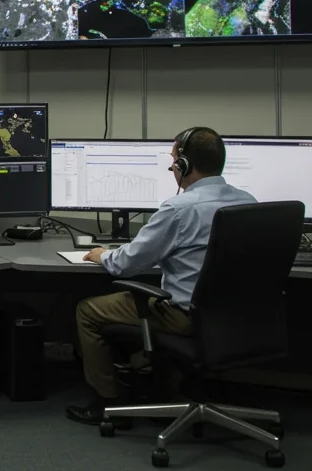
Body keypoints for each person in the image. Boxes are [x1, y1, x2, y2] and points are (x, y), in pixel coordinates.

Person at [66, 127, 257, 426]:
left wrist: (101, 253)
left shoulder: (179, 209)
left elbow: (126, 264)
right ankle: (165, 383)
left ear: (183, 166)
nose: (171, 169)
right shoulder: (248, 202)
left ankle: (108, 403)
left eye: (172, 162)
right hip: (239, 317)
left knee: (87, 310)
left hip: (185, 315)